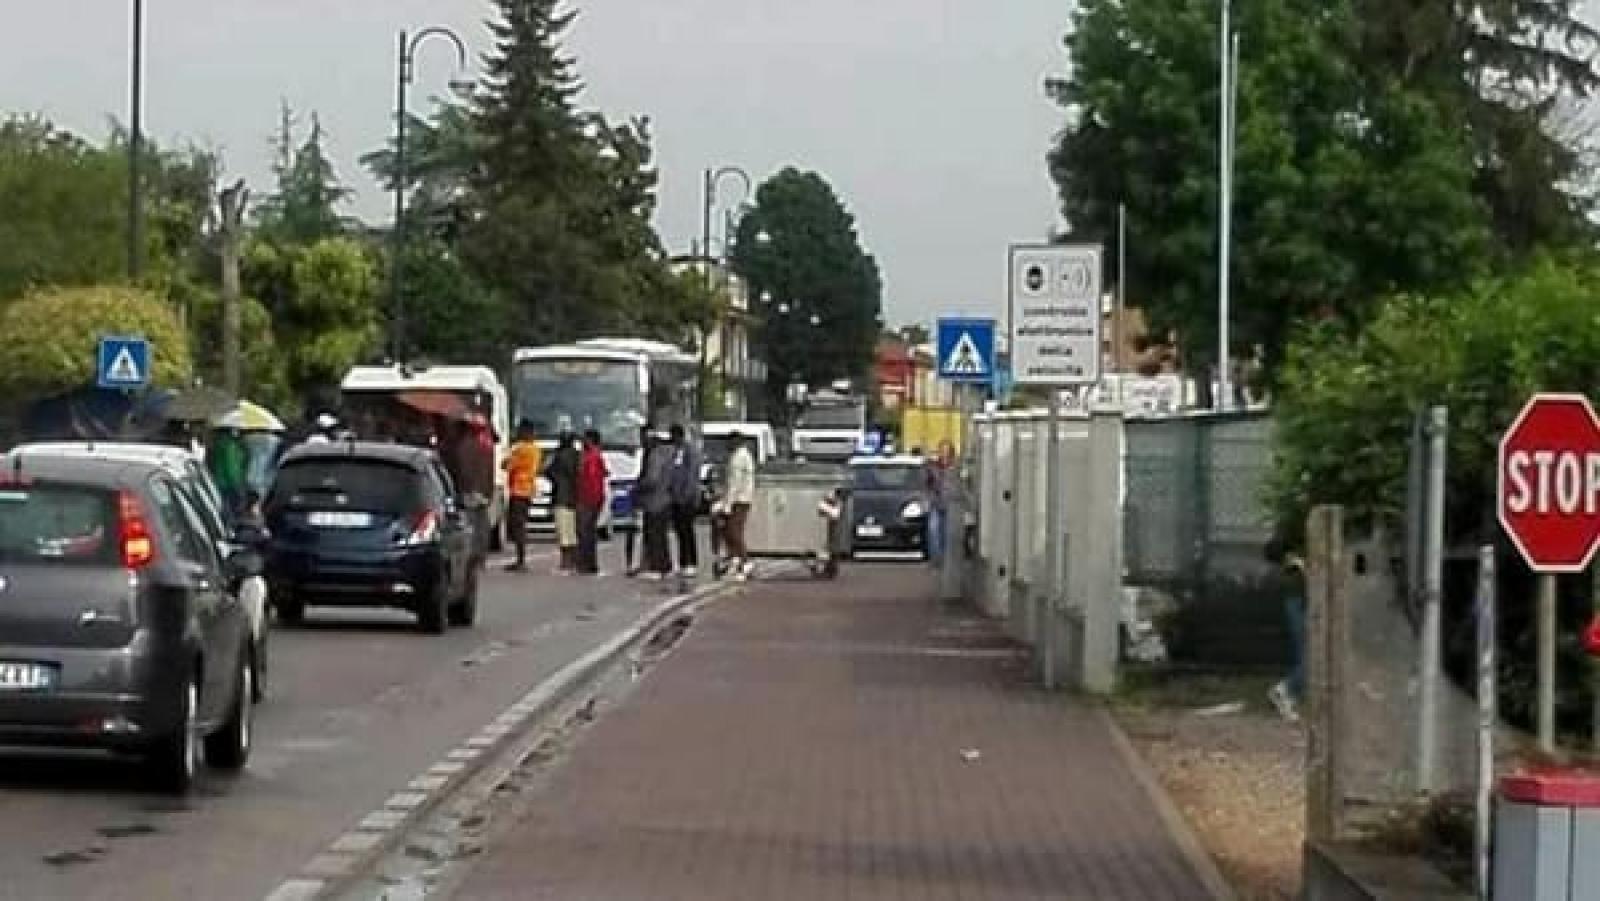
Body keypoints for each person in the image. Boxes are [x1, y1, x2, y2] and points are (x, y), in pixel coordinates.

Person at [1265, 535, 1306, 722]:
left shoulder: (1289, 569)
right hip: (1298, 608)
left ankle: (1288, 697)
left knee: (1303, 657)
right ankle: (1284, 690)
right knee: (1309, 660)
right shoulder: (1294, 568)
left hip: (1295, 607)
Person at [502, 420, 543, 572]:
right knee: (520, 525)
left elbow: (506, 465)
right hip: (528, 489)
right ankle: (520, 559)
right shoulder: (536, 450)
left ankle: (521, 560)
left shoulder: (521, 449)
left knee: (518, 526)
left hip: (519, 490)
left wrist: (509, 458)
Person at [636, 430, 675, 580]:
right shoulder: (669, 455)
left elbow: (652, 479)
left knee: (654, 535)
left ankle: (656, 567)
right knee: (661, 535)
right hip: (665, 499)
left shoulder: (655, 456)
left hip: (654, 500)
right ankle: (665, 566)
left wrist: (640, 485)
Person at [666, 424, 702, 577]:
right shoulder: (674, 451)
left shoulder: (690, 451)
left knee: (687, 530)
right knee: (679, 530)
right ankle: (682, 562)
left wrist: (686, 494)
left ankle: (691, 562)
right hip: (675, 496)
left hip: (687, 497)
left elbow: (692, 474)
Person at [546, 420, 581, 574]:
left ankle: (566, 562)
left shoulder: (558, 456)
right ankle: (574, 561)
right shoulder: (578, 456)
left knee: (563, 532)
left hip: (561, 497)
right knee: (572, 532)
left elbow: (548, 471)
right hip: (575, 498)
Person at [576, 429, 609, 576]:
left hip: (588, 498)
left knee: (585, 531)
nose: (583, 441)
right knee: (588, 531)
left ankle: (587, 563)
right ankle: (589, 563)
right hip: (591, 497)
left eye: (585, 439)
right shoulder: (593, 455)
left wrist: (589, 498)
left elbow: (592, 477)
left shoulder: (591, 456)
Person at [725, 431, 757, 581]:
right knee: (734, 531)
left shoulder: (738, 458)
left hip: (739, 499)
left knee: (734, 532)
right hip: (744, 498)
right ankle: (736, 560)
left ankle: (745, 561)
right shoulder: (746, 455)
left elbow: (735, 483)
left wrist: (727, 503)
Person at [925, 440, 956, 566]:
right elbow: (926, 483)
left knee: (946, 533)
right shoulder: (933, 467)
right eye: (942, 450)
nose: (944, 454)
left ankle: (945, 559)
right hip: (936, 503)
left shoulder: (956, 467)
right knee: (933, 530)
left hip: (951, 504)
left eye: (946, 451)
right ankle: (936, 559)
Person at [208, 428, 248, 521]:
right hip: (230, 483)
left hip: (218, 481)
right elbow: (231, 467)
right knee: (233, 511)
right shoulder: (230, 444)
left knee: (223, 510)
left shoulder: (216, 443)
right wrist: (238, 485)